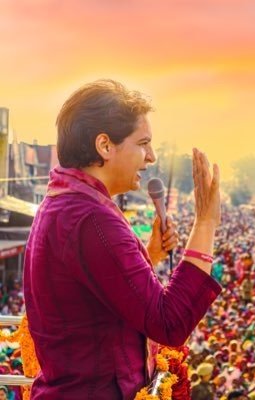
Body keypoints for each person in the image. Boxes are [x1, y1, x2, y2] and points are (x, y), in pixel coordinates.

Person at [23, 79, 222, 399]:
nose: (152, 156)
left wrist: (151, 255)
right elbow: (168, 323)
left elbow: (95, 292)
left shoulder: (67, 202)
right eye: (143, 143)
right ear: (105, 146)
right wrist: (206, 224)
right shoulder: (91, 218)